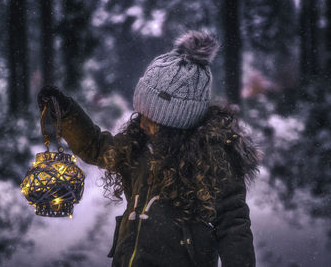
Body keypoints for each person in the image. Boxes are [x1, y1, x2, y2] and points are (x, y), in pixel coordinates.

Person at [38, 30, 261, 267]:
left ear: (177, 123)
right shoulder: (140, 146)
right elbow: (97, 146)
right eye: (141, 113)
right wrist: (67, 113)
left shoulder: (215, 159)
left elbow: (234, 227)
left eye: (151, 117)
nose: (142, 122)